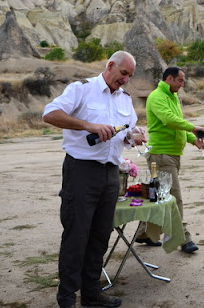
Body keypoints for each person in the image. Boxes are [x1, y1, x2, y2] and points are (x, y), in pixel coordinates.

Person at [43, 51, 139, 308]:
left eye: (130, 75)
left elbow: (127, 134)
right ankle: (66, 299)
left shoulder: (125, 100)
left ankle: (91, 294)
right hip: (81, 171)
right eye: (123, 73)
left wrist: (133, 136)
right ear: (110, 65)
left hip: (111, 174)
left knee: (100, 235)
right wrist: (88, 125)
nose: (126, 80)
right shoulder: (82, 89)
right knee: (77, 235)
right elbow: (50, 114)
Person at [135, 66, 204, 254]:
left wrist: (193, 141)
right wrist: (193, 128)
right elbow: (168, 120)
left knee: (159, 196)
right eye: (180, 80)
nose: (183, 84)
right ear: (169, 79)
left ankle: (144, 233)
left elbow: (177, 124)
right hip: (161, 156)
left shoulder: (173, 96)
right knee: (175, 198)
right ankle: (183, 238)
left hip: (171, 156)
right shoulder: (156, 97)